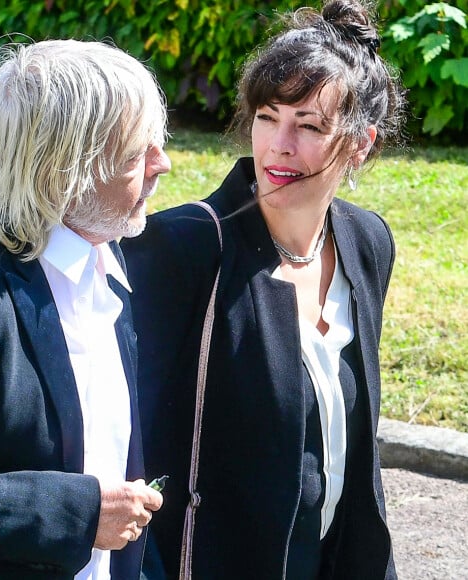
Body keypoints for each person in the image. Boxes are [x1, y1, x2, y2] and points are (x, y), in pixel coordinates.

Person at [122, 0, 406, 578]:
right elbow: (127, 439)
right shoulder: (182, 248)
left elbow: (355, 444)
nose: (280, 144)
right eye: (267, 116)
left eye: (308, 126)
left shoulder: (366, 241)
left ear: (360, 144)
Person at [0, 38, 171, 579]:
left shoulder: (105, 260)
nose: (164, 163)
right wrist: (78, 513)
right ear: (67, 168)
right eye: (138, 152)